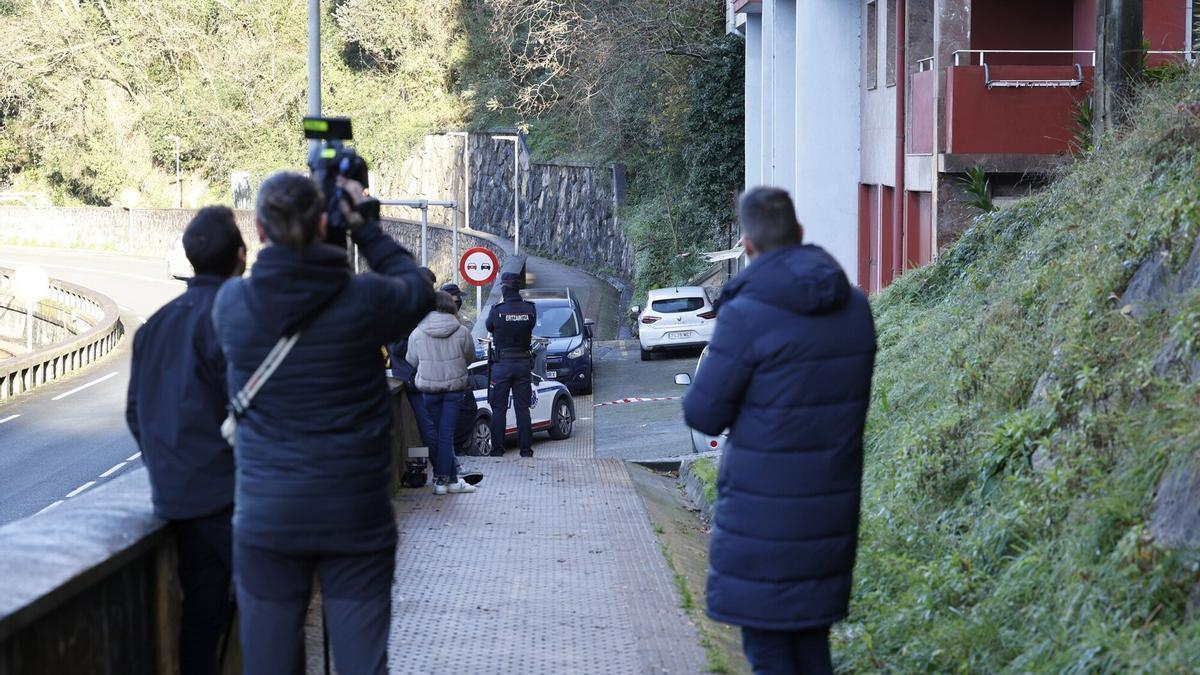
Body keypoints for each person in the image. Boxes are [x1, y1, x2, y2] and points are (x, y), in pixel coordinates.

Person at [211, 172, 434, 675]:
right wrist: (367, 227)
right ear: (325, 223)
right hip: (355, 512)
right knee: (361, 663)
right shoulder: (365, 300)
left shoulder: (231, 306)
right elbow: (418, 288)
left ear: (260, 231)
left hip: (268, 517)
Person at [682, 187, 876, 675]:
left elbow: (704, 414)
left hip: (761, 513)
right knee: (812, 648)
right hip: (831, 508)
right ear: (801, 234)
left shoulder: (746, 315)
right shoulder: (854, 307)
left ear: (746, 245)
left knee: (768, 652)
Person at [126, 206, 246, 675]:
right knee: (271, 615)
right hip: (233, 499)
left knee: (200, 620)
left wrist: (169, 464)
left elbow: (136, 412)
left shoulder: (154, 325)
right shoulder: (237, 317)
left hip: (177, 497)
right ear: (241, 255)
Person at [406, 290, 479, 494]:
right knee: (446, 434)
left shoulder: (418, 332)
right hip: (454, 389)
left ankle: (451, 480)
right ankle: (442, 480)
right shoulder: (461, 331)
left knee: (438, 433)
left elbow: (411, 360)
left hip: (429, 390)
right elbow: (470, 356)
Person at [485, 272, 537, 457]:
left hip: (502, 365)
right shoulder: (530, 309)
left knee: (499, 408)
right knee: (522, 409)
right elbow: (530, 326)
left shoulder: (497, 310)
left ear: (504, 289)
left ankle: (497, 450)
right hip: (523, 363)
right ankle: (526, 450)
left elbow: (489, 327)